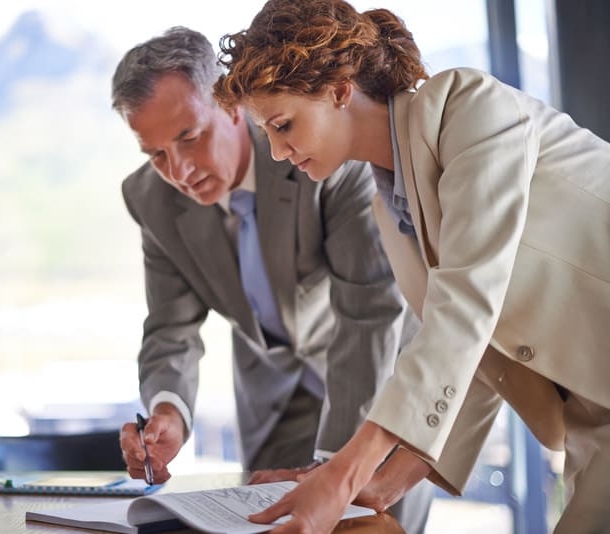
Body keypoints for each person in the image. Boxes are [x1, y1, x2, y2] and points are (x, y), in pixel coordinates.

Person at [213, 0, 610, 532]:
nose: (278, 152)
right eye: (267, 133)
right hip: (594, 417)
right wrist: (381, 481)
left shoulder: (472, 109)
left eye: (282, 124)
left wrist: (345, 473)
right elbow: (473, 357)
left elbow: (465, 309)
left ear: (338, 87)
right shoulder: (387, 204)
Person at [111, 26, 433, 533]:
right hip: (273, 397)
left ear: (232, 104)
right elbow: (170, 329)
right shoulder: (150, 198)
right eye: (156, 154)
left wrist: (336, 466)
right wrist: (168, 412)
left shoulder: (316, 152)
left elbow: (368, 311)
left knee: (371, 524)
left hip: (374, 379)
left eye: (189, 138)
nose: (179, 171)